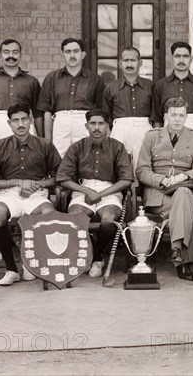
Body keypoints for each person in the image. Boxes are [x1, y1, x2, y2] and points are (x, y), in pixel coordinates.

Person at [0, 104, 61, 286]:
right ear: (9, 124)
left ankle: (33, 262)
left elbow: (60, 177)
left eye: (24, 119)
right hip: (7, 193)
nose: (20, 124)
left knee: (48, 214)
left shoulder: (45, 145)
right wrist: (17, 182)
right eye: (15, 120)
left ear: (31, 120)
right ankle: (11, 268)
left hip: (36, 193)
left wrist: (36, 184)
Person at [136, 98, 193, 281]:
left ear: (186, 117)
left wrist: (182, 177)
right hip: (158, 196)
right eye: (173, 115)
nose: (177, 119)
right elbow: (141, 170)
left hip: (183, 189)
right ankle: (182, 260)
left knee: (183, 195)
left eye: (181, 115)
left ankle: (176, 250)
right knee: (182, 208)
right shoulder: (152, 136)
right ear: (165, 115)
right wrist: (162, 180)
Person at [57, 109, 133, 278]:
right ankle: (94, 258)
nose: (97, 128)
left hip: (111, 190)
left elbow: (126, 179)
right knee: (76, 218)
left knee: (108, 221)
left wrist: (101, 193)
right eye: (93, 123)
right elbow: (63, 178)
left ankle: (96, 257)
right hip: (83, 189)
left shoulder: (117, 147)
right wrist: (87, 191)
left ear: (107, 126)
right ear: (86, 126)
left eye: (101, 124)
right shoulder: (77, 147)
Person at [0, 39, 42, 163]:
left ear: (20, 55)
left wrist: (42, 142)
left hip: (22, 127)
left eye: (15, 52)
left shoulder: (31, 82)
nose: (11, 56)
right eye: (6, 52)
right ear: (0, 55)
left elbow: (38, 115)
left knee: (24, 168)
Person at [38, 38, 105, 158]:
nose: (72, 55)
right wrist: (48, 140)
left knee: (86, 157)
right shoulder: (52, 78)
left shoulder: (95, 79)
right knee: (58, 157)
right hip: (60, 121)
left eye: (76, 51)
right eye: (68, 51)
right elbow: (47, 111)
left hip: (85, 121)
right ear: (62, 54)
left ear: (83, 54)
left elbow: (101, 110)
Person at [152, 42, 193, 160]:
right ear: (171, 58)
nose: (181, 60)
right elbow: (157, 119)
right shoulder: (161, 85)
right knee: (171, 164)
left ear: (191, 58)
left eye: (185, 56)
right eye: (177, 56)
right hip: (169, 128)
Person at [103, 47, 153, 169]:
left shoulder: (150, 86)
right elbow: (106, 115)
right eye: (126, 60)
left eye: (133, 60)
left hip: (144, 128)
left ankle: (141, 189)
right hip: (119, 128)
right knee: (118, 165)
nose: (129, 64)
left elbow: (156, 113)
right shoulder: (111, 88)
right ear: (120, 63)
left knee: (143, 165)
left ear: (140, 63)